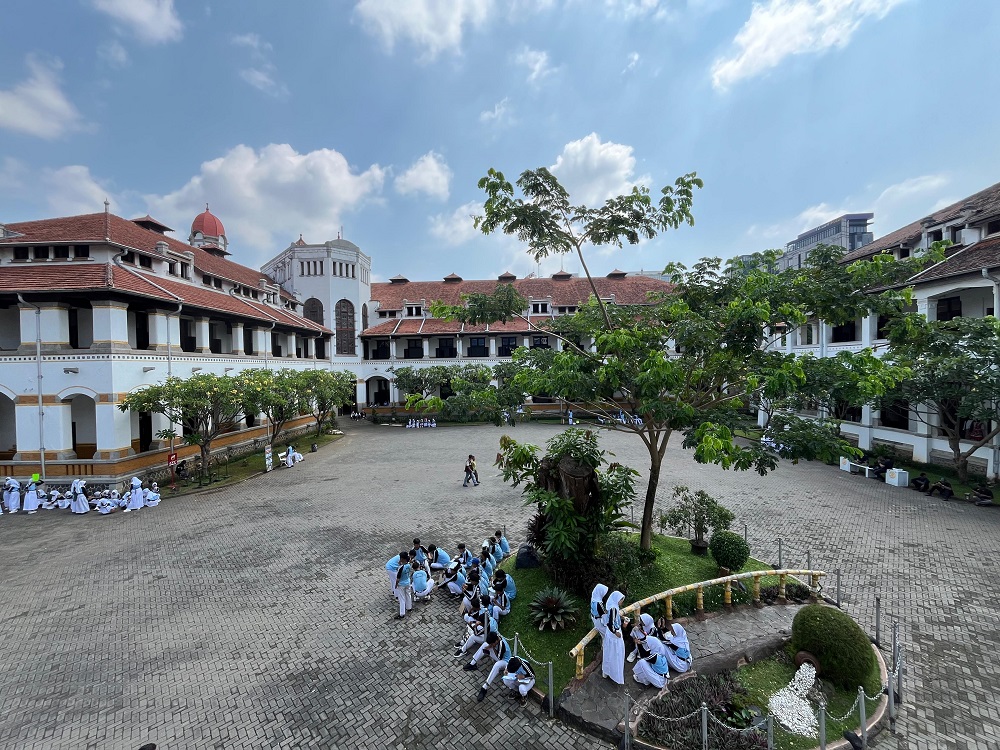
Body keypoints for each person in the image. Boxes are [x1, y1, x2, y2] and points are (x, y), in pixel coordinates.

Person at [467, 632, 514, 703]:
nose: (491, 645)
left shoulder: (502, 645)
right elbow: (490, 646)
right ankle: (472, 663)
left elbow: (499, 657)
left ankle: (484, 687)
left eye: (492, 643)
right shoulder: (495, 638)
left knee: (497, 665)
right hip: (498, 655)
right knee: (485, 645)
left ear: (496, 641)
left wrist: (491, 647)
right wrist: (490, 646)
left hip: (505, 661)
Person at [601, 590, 627, 684]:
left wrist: (622, 618)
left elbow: (612, 618)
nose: (621, 602)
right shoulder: (613, 609)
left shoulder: (613, 607)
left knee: (608, 653)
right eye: (621, 600)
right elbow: (610, 623)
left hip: (610, 634)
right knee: (616, 654)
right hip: (614, 636)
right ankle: (615, 673)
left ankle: (606, 671)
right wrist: (616, 632)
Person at [393, 551, 413, 619]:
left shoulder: (401, 568)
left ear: (402, 559)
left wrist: (396, 585)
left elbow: (398, 579)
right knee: (408, 595)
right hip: (407, 582)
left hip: (401, 584)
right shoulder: (408, 565)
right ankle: (409, 607)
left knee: (402, 599)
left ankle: (402, 613)